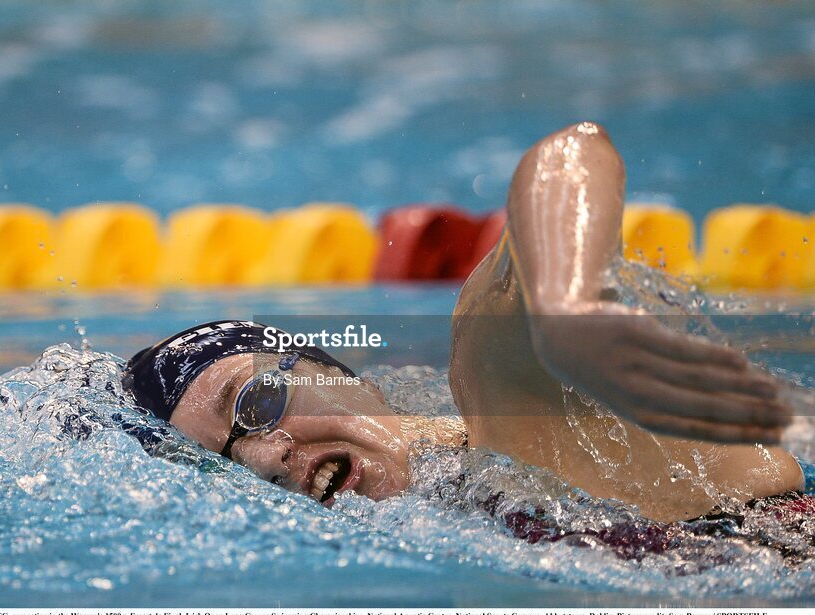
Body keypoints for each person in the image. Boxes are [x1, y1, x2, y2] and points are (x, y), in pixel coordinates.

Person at [121, 122, 803, 526]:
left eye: (255, 400)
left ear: (331, 368)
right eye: (223, 466)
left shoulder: (508, 399)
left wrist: (567, 312)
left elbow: (573, 154)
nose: (262, 459)